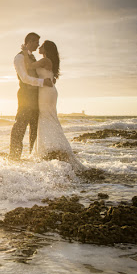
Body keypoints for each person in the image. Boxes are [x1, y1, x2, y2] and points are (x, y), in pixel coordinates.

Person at [22, 40, 86, 171]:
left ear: (46, 49)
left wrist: (24, 52)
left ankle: (52, 146)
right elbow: (51, 77)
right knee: (48, 117)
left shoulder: (45, 61)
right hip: (48, 91)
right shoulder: (48, 60)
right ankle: (51, 146)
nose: (39, 47)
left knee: (46, 116)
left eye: (42, 46)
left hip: (46, 92)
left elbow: (29, 66)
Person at [9, 33, 53, 160]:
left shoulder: (32, 57)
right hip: (26, 95)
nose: (38, 45)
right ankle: (14, 157)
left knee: (35, 127)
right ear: (30, 41)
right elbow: (24, 78)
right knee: (21, 124)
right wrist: (42, 82)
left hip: (37, 96)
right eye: (36, 42)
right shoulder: (19, 57)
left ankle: (33, 157)